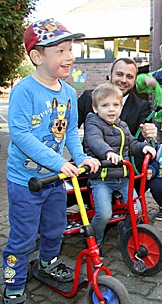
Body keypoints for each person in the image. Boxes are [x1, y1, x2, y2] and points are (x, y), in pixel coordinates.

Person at [3, 18, 100, 303]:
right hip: (27, 181)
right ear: (37, 56)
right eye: (59, 50)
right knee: (21, 238)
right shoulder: (25, 90)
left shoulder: (69, 93)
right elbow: (20, 134)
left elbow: (70, 131)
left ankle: (47, 263)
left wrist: (80, 157)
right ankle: (12, 281)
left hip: (56, 180)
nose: (69, 56)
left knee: (55, 229)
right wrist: (57, 162)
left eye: (70, 49)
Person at [83, 83, 156, 252]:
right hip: (102, 179)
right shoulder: (93, 123)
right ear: (95, 108)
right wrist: (108, 152)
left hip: (123, 179)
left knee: (135, 210)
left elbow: (131, 143)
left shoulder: (121, 125)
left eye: (115, 105)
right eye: (105, 105)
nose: (111, 110)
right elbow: (94, 141)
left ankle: (125, 232)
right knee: (104, 214)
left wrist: (142, 147)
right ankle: (95, 241)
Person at [77, 58, 158, 172]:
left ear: (134, 81)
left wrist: (148, 138)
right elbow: (71, 130)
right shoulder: (88, 97)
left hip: (122, 170)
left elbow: (136, 143)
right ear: (110, 75)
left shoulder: (141, 106)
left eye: (129, 77)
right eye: (119, 74)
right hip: (89, 167)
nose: (124, 80)